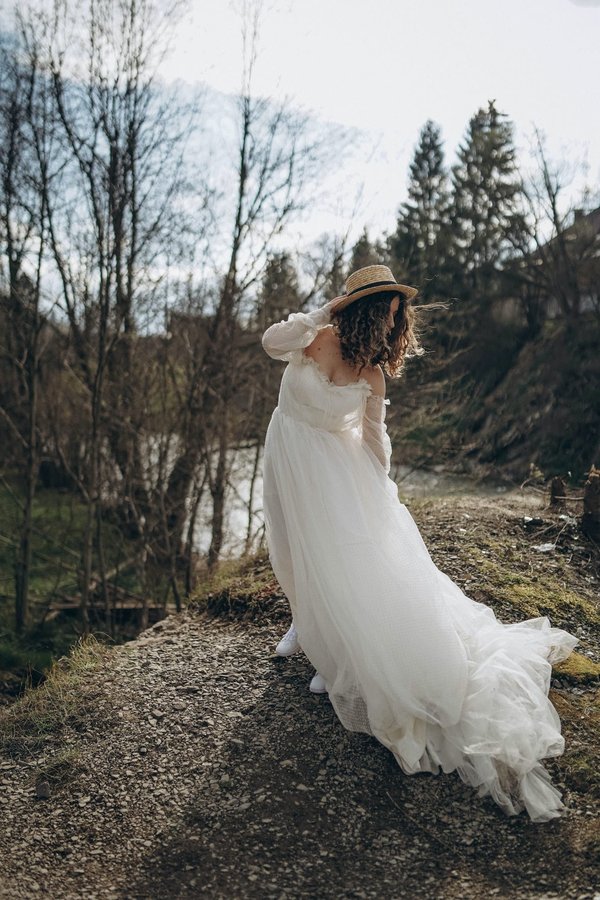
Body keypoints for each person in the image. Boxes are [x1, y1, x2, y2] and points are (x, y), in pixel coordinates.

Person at [260, 263, 579, 823]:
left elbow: (374, 434)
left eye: (396, 313)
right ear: (357, 309)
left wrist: (380, 489)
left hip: (337, 472)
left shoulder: (374, 374)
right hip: (287, 449)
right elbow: (270, 342)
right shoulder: (312, 336)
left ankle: (337, 653)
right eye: (384, 309)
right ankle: (301, 619)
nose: (391, 320)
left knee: (344, 559)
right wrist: (322, 312)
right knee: (289, 546)